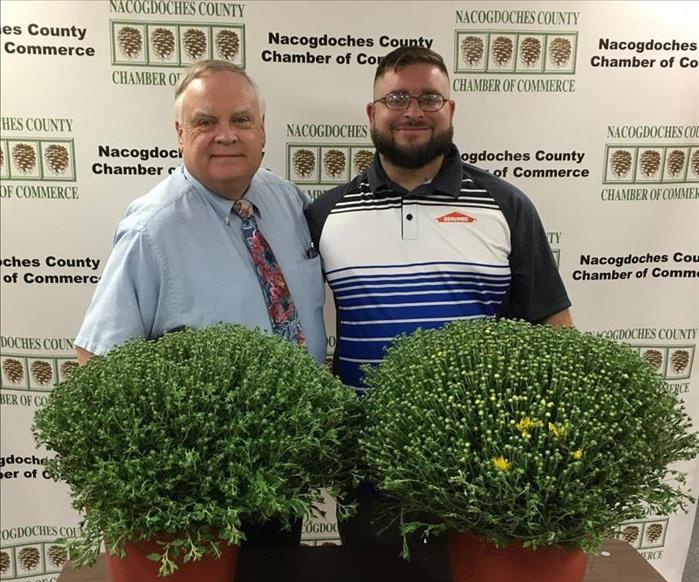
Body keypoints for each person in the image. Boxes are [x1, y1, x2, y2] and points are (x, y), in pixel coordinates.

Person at [306, 46, 572, 545]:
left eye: (430, 98)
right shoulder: (326, 214)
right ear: (372, 113)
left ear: (450, 110)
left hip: (481, 466)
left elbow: (554, 332)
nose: (413, 112)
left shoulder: (506, 206)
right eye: (397, 98)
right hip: (366, 463)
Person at [75, 59, 326, 547]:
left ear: (263, 130)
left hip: (289, 465)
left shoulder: (287, 199)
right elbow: (97, 361)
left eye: (241, 120)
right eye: (205, 122)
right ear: (179, 132)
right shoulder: (153, 229)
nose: (226, 136)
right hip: (204, 486)